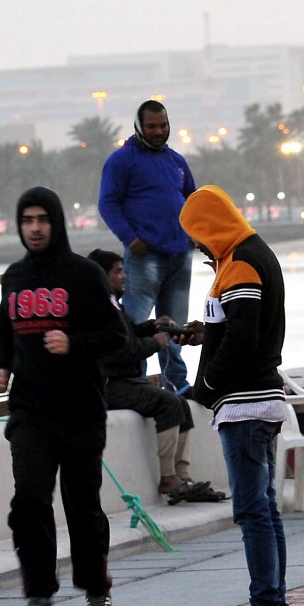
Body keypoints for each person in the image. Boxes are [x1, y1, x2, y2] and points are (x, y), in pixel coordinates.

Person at [0, 187, 128, 606]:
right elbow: (5, 333)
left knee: (81, 505)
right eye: (27, 219)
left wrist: (75, 344)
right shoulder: (13, 278)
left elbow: (117, 336)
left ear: (56, 223)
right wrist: (2, 366)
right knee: (29, 500)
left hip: (81, 410)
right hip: (30, 411)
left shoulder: (85, 275)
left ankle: (97, 593)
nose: (34, 228)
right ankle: (39, 598)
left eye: (42, 219)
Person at [172, 184, 294, 606]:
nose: (198, 246)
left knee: (251, 511)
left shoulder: (240, 261)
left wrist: (205, 387)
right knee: (264, 508)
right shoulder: (247, 255)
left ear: (209, 227)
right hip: (260, 398)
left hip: (245, 404)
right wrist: (206, 334)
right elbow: (242, 325)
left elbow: (244, 337)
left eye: (197, 235)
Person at [86, 248, 225, 504]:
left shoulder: (111, 304)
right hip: (108, 386)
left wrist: (153, 325)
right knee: (168, 403)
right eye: (118, 272)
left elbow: (131, 332)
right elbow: (119, 352)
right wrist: (155, 343)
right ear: (102, 276)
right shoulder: (95, 311)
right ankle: (168, 477)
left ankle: (183, 477)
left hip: (125, 382)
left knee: (181, 404)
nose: (125, 276)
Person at [98, 99, 196, 394]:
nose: (158, 131)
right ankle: (134, 381)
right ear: (139, 126)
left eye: (163, 125)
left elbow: (193, 199)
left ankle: (176, 384)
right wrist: (130, 238)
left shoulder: (176, 161)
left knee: (174, 326)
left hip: (180, 254)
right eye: (151, 126)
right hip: (144, 257)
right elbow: (107, 202)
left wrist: (195, 234)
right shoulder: (122, 160)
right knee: (136, 324)